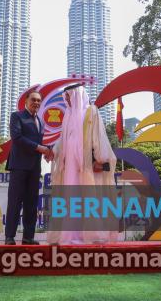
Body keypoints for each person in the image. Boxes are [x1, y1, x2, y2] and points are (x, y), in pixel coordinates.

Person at [46, 83, 119, 244]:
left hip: (87, 164)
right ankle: (71, 235)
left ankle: (91, 235)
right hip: (70, 165)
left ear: (77, 95)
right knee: (71, 197)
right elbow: (63, 140)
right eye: (65, 97)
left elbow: (98, 137)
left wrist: (99, 159)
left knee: (88, 198)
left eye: (68, 96)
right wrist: (53, 152)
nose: (66, 100)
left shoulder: (91, 111)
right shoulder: (68, 115)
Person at [5, 90, 52, 245]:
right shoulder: (17, 116)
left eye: (39, 100)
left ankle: (28, 237)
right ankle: (9, 237)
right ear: (26, 101)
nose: (36, 103)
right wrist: (40, 148)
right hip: (19, 166)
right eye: (33, 99)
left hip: (34, 168)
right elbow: (17, 138)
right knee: (15, 202)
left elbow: (40, 143)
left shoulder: (41, 121)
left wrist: (48, 152)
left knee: (31, 204)